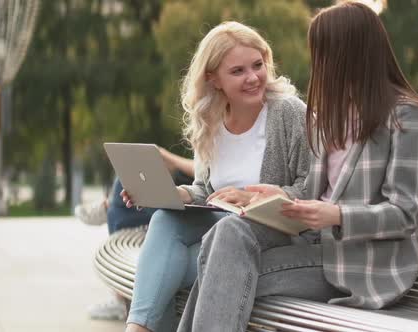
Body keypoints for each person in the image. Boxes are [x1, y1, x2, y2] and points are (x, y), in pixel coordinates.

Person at [176, 2, 418, 331]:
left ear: (350, 53)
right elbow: (314, 192)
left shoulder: (406, 117)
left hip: (361, 264)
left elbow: (404, 214)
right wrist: (276, 195)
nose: (318, 63)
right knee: (227, 234)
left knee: (222, 267)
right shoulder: (335, 113)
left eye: (323, 52)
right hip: (312, 246)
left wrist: (337, 215)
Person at [123, 21, 310, 332]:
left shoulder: (288, 113)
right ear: (214, 79)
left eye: (257, 65)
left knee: (165, 271)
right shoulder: (210, 122)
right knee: (164, 220)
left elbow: (311, 189)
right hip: (218, 229)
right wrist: (173, 195)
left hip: (265, 237)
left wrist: (253, 198)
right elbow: (205, 191)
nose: (253, 78)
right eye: (238, 71)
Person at [75, 148, 195, 321]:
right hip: (192, 188)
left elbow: (205, 170)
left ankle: (108, 208)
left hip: (200, 196)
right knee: (128, 173)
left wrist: (168, 158)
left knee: (128, 189)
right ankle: (110, 208)